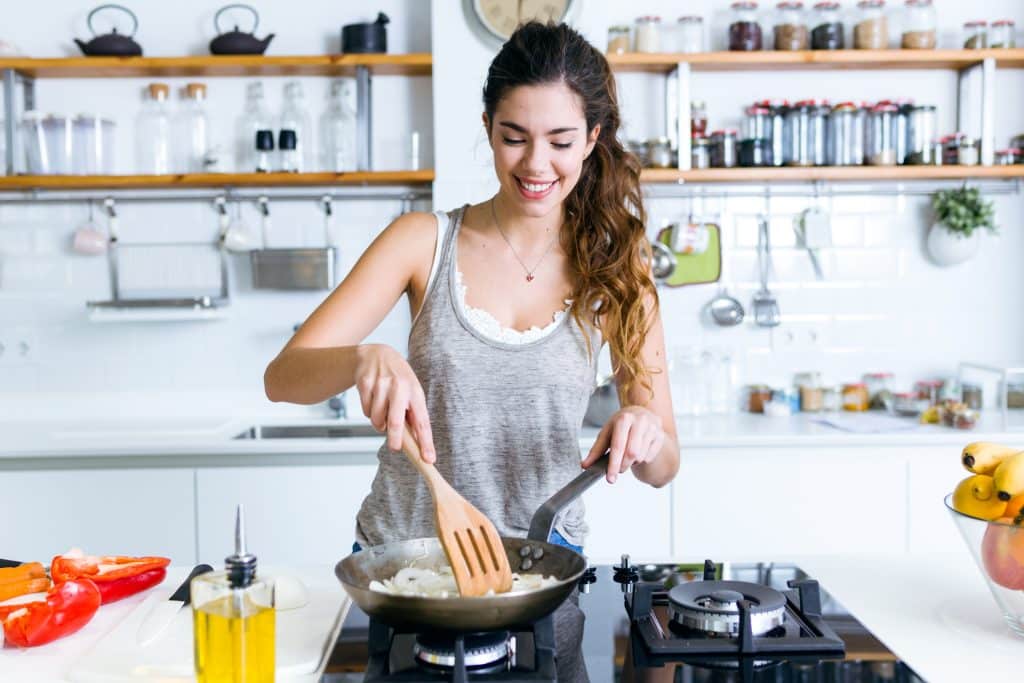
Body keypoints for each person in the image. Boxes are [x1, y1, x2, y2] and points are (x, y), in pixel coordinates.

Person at [265, 21, 679, 680]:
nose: (536, 164)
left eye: (561, 141)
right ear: (488, 127)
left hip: (543, 579)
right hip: (410, 577)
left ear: (593, 138)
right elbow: (282, 378)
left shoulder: (618, 268)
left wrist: (644, 427)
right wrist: (360, 357)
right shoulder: (420, 240)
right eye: (514, 137)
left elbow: (665, 466)